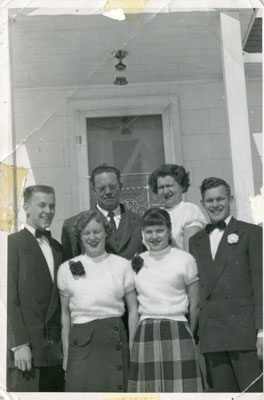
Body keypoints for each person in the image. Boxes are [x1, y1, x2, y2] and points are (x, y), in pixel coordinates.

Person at [189, 177, 263, 392]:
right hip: (213, 335)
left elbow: (262, 285)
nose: (215, 205)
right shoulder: (197, 241)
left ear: (230, 199)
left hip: (245, 334)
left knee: (254, 395)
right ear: (202, 203)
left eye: (220, 199)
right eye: (209, 200)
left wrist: (262, 333)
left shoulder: (251, 233)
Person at [57, 210, 138, 392]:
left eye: (97, 231)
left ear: (106, 233)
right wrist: (66, 355)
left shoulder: (122, 265)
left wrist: (131, 345)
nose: (92, 237)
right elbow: (65, 315)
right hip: (81, 344)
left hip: (114, 340)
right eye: (86, 233)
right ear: (80, 237)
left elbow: (133, 310)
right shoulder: (65, 269)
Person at [128, 208, 202, 392]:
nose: (154, 236)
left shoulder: (185, 260)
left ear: (169, 230)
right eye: (149, 231)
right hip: (146, 332)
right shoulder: (136, 261)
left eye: (159, 230)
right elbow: (133, 307)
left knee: (180, 390)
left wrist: (188, 333)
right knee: (148, 391)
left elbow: (195, 305)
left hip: (178, 329)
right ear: (143, 233)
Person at [7, 185, 64, 392]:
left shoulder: (58, 248)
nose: (48, 211)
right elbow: (7, 299)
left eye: (52, 206)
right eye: (42, 205)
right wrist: (19, 344)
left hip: (54, 353)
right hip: (26, 354)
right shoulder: (11, 244)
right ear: (26, 207)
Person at [61, 165, 143, 260]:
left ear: (120, 187)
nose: (108, 192)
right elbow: (70, 265)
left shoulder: (139, 222)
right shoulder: (72, 225)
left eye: (112, 187)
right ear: (93, 190)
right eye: (102, 188)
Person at [149, 164, 207, 251]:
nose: (165, 191)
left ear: (182, 186)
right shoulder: (156, 214)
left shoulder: (189, 210)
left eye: (169, 186)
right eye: (161, 187)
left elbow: (191, 251)